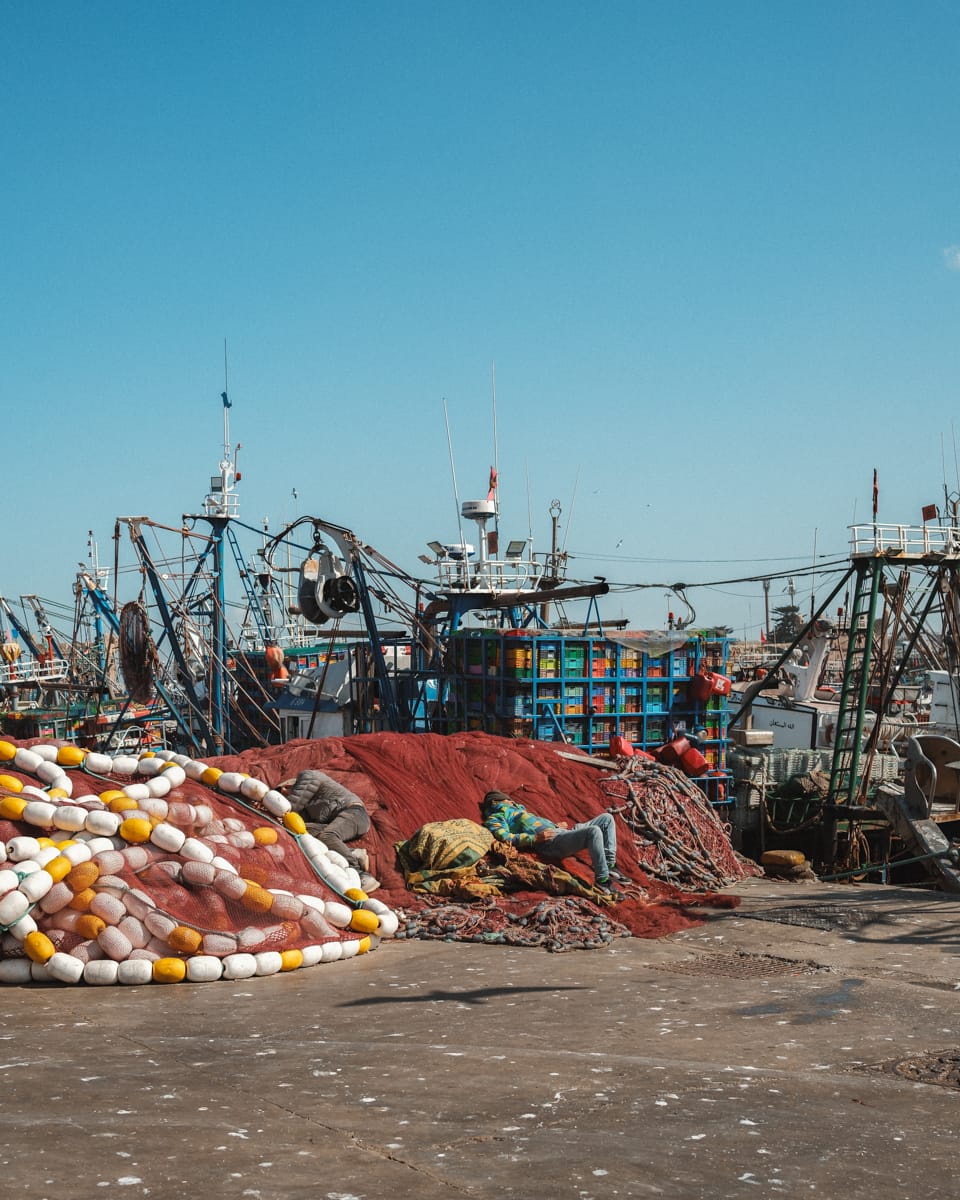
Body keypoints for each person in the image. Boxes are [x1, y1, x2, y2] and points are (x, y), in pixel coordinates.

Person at [478, 789, 627, 896]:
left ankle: (610, 864)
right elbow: (505, 837)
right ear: (496, 802)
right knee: (593, 831)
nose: (511, 801)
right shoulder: (497, 816)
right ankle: (602, 880)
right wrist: (533, 839)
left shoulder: (520, 811)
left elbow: (534, 824)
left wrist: (555, 826)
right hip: (551, 843)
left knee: (606, 818)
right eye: (507, 799)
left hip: (561, 832)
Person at [279, 769, 380, 892]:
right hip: (339, 820)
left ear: (287, 786)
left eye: (281, 794)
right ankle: (353, 853)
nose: (281, 798)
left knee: (327, 836)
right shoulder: (308, 806)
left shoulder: (308, 776)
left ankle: (360, 873)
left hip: (354, 813)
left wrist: (278, 812)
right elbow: (298, 822)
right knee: (302, 832)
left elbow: (294, 804)